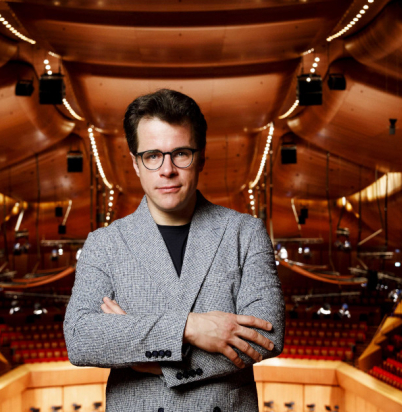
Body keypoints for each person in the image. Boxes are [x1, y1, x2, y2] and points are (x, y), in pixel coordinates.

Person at [64, 89, 285, 411]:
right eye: (152, 155)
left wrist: (150, 356)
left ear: (201, 157)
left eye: (180, 153)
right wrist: (190, 327)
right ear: (136, 163)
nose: (166, 169)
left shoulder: (245, 233)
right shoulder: (104, 244)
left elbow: (267, 336)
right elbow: (81, 338)